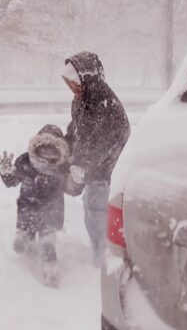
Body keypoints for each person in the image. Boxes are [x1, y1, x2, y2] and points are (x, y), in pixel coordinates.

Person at [0, 125, 85, 288]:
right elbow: (12, 181)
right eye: (44, 150)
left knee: (47, 241)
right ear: (36, 147)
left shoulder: (63, 167)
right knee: (25, 232)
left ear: (60, 150)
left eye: (52, 151)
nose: (47, 156)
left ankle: (51, 270)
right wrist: (6, 172)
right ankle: (25, 241)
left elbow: (72, 190)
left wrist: (77, 181)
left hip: (51, 211)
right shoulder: (25, 161)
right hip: (27, 207)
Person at [61, 52, 130, 265]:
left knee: (101, 215)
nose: (73, 87)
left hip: (108, 174)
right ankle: (98, 255)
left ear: (87, 78)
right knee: (92, 213)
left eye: (75, 82)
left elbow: (113, 139)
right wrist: (63, 145)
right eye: (69, 84)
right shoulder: (80, 101)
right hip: (91, 172)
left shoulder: (107, 104)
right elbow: (76, 128)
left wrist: (85, 164)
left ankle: (105, 261)